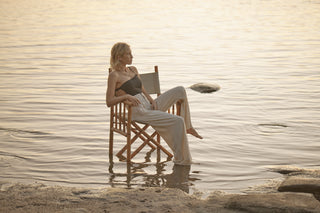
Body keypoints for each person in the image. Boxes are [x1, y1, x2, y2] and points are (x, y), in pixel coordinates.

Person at [106, 42, 202, 165]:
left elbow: (142, 89)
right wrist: (126, 96)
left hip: (149, 105)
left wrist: (151, 99)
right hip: (137, 111)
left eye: (131, 53)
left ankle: (188, 127)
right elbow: (109, 102)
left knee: (180, 90)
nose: (132, 56)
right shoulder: (114, 75)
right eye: (128, 54)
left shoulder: (133, 69)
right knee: (178, 121)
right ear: (119, 57)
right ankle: (182, 160)